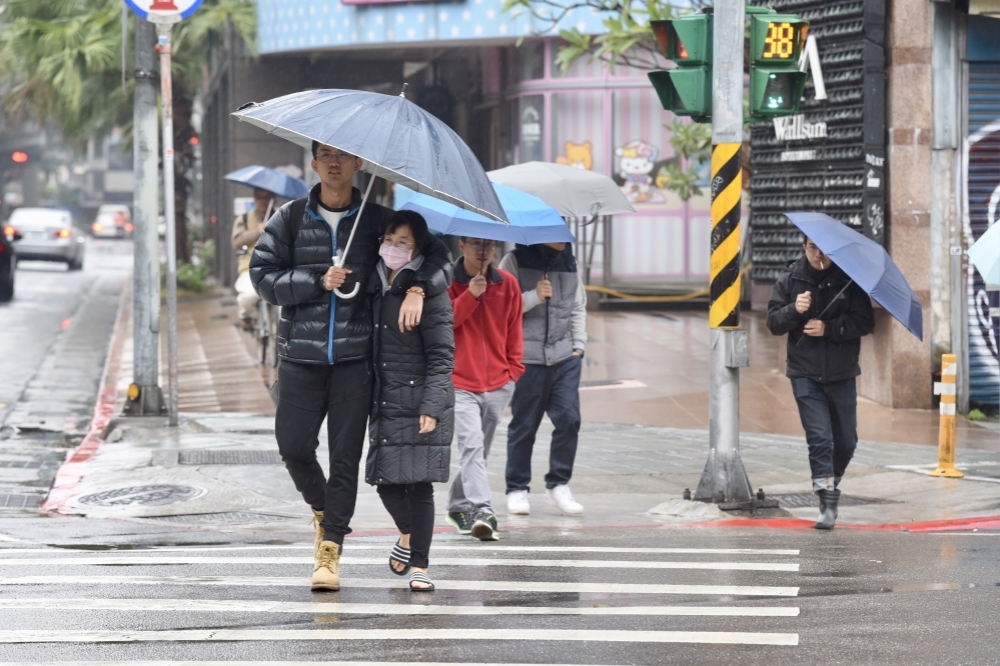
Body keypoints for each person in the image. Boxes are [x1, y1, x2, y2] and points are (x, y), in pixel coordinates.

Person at [250, 142, 452, 591]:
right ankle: (326, 513)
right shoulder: (290, 218)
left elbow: (439, 257)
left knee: (345, 459)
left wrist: (418, 288)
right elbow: (261, 276)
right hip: (301, 357)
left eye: (344, 155)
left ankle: (330, 550)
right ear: (314, 162)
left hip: (355, 361)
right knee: (294, 447)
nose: (335, 162)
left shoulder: (378, 221)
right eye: (326, 155)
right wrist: (314, 280)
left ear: (359, 162)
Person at [365, 210, 454, 592]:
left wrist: (431, 407)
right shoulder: (373, 280)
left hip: (419, 402)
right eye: (390, 238)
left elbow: (442, 356)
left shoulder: (429, 292)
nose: (393, 247)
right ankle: (408, 536)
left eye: (404, 242)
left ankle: (420, 565)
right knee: (384, 481)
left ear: (418, 248)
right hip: (383, 399)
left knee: (419, 486)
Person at [766, 237, 875, 530]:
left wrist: (830, 328)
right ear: (804, 248)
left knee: (846, 442)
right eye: (812, 247)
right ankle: (827, 500)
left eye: (824, 248)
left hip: (842, 373)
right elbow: (773, 323)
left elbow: (865, 323)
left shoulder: (848, 282)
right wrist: (794, 310)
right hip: (805, 373)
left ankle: (831, 479)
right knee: (820, 438)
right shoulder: (791, 279)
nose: (819, 254)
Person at [499, 242, 587, 515]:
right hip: (529, 358)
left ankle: (558, 484)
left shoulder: (569, 262)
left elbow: (577, 306)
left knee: (569, 419)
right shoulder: (513, 261)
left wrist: (578, 346)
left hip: (565, 357)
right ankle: (517, 488)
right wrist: (534, 295)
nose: (560, 238)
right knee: (524, 426)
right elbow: (501, 305)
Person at [446, 236, 524, 541]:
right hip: (459, 382)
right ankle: (483, 511)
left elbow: (514, 331)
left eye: (490, 245)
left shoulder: (508, 284)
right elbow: (442, 324)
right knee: (472, 446)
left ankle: (457, 504)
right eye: (477, 244)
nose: (484, 251)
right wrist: (470, 296)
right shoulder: (446, 283)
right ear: (462, 245)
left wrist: (513, 372)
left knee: (479, 451)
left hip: (498, 383)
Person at [231, 187, 275, 331]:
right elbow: (236, 242)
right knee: (249, 295)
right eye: (260, 197)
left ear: (273, 199)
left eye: (267, 197)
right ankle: (247, 316)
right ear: (255, 199)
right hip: (250, 266)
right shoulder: (243, 219)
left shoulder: (282, 217)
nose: (263, 201)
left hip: (276, 266)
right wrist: (256, 231)